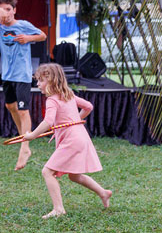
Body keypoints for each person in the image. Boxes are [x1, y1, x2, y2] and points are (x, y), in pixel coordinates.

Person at [24, 63, 112, 219]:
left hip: (72, 140)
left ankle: (58, 209)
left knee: (47, 172)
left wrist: (32, 135)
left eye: (41, 80)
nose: (37, 84)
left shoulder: (52, 100)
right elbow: (89, 107)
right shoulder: (68, 94)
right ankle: (103, 193)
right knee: (74, 175)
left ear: (51, 80)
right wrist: (74, 120)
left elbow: (48, 122)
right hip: (80, 136)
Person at [0, 0, 46, 171]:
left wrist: (28, 38)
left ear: (14, 10)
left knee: (23, 111)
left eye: (8, 9)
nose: (5, 13)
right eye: (2, 9)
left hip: (23, 74)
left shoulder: (23, 25)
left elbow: (42, 36)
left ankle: (25, 148)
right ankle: (22, 135)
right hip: (7, 74)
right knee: (10, 107)